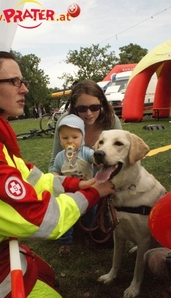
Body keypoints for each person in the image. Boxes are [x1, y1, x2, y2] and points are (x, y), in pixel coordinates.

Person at [0, 51, 115, 298]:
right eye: (14, 81)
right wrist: (92, 192)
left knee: (46, 274)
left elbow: (33, 179)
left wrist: (79, 183)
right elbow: (42, 219)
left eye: (23, 81)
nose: (25, 89)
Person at [48, 79, 122, 249]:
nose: (89, 113)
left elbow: (121, 158)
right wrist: (64, 183)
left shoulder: (111, 121)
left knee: (103, 238)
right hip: (74, 183)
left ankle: (92, 218)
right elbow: (54, 163)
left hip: (102, 183)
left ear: (102, 103)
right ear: (74, 107)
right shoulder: (66, 123)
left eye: (94, 107)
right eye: (82, 108)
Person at [53, 114, 94, 255]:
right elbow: (55, 171)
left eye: (75, 137)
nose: (70, 141)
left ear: (82, 137)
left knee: (91, 214)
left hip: (87, 190)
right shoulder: (60, 157)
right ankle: (65, 242)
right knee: (65, 216)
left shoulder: (87, 153)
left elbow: (95, 159)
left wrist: (97, 160)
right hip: (68, 192)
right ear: (59, 139)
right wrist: (56, 176)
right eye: (65, 138)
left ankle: (89, 235)